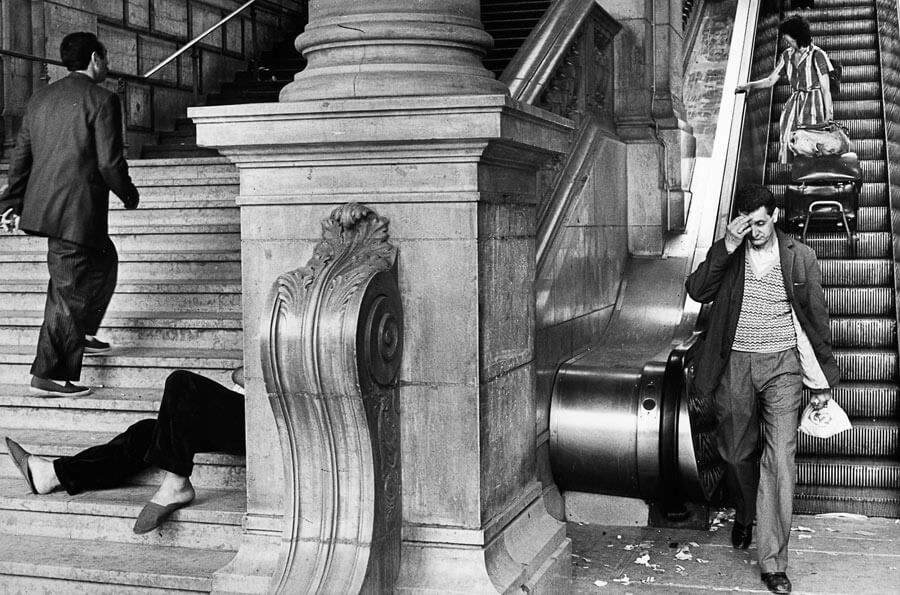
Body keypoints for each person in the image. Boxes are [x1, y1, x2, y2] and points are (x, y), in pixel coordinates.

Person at [685, 185, 840, 594]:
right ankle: (745, 513)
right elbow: (697, 290)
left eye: (760, 222)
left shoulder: (800, 256)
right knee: (734, 455)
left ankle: (773, 562)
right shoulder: (732, 253)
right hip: (735, 362)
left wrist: (823, 381)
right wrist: (727, 244)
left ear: (773, 216)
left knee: (781, 458)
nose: (753, 230)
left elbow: (816, 319)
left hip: (783, 367)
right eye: (746, 223)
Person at [0, 31, 140, 398]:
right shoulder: (103, 99)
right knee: (68, 290)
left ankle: (82, 333)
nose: (107, 66)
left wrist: (10, 201)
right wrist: (128, 193)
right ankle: (48, 373)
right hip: (75, 213)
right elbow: (110, 162)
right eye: (105, 58)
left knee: (105, 260)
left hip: (57, 209)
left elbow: (21, 157)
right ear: (95, 59)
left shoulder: (40, 98)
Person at [4, 367, 245, 534]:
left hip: (267, 421)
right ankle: (54, 475)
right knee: (147, 432)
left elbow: (246, 374)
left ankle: (177, 483)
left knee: (181, 382)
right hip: (241, 414)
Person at [735, 15, 835, 163]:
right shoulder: (787, 55)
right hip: (794, 105)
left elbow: (826, 90)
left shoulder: (817, 55)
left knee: (810, 145)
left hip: (814, 105)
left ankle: (810, 181)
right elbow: (770, 80)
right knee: (789, 140)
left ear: (796, 36)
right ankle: (796, 178)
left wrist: (829, 117)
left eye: (786, 35)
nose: (784, 38)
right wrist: (749, 85)